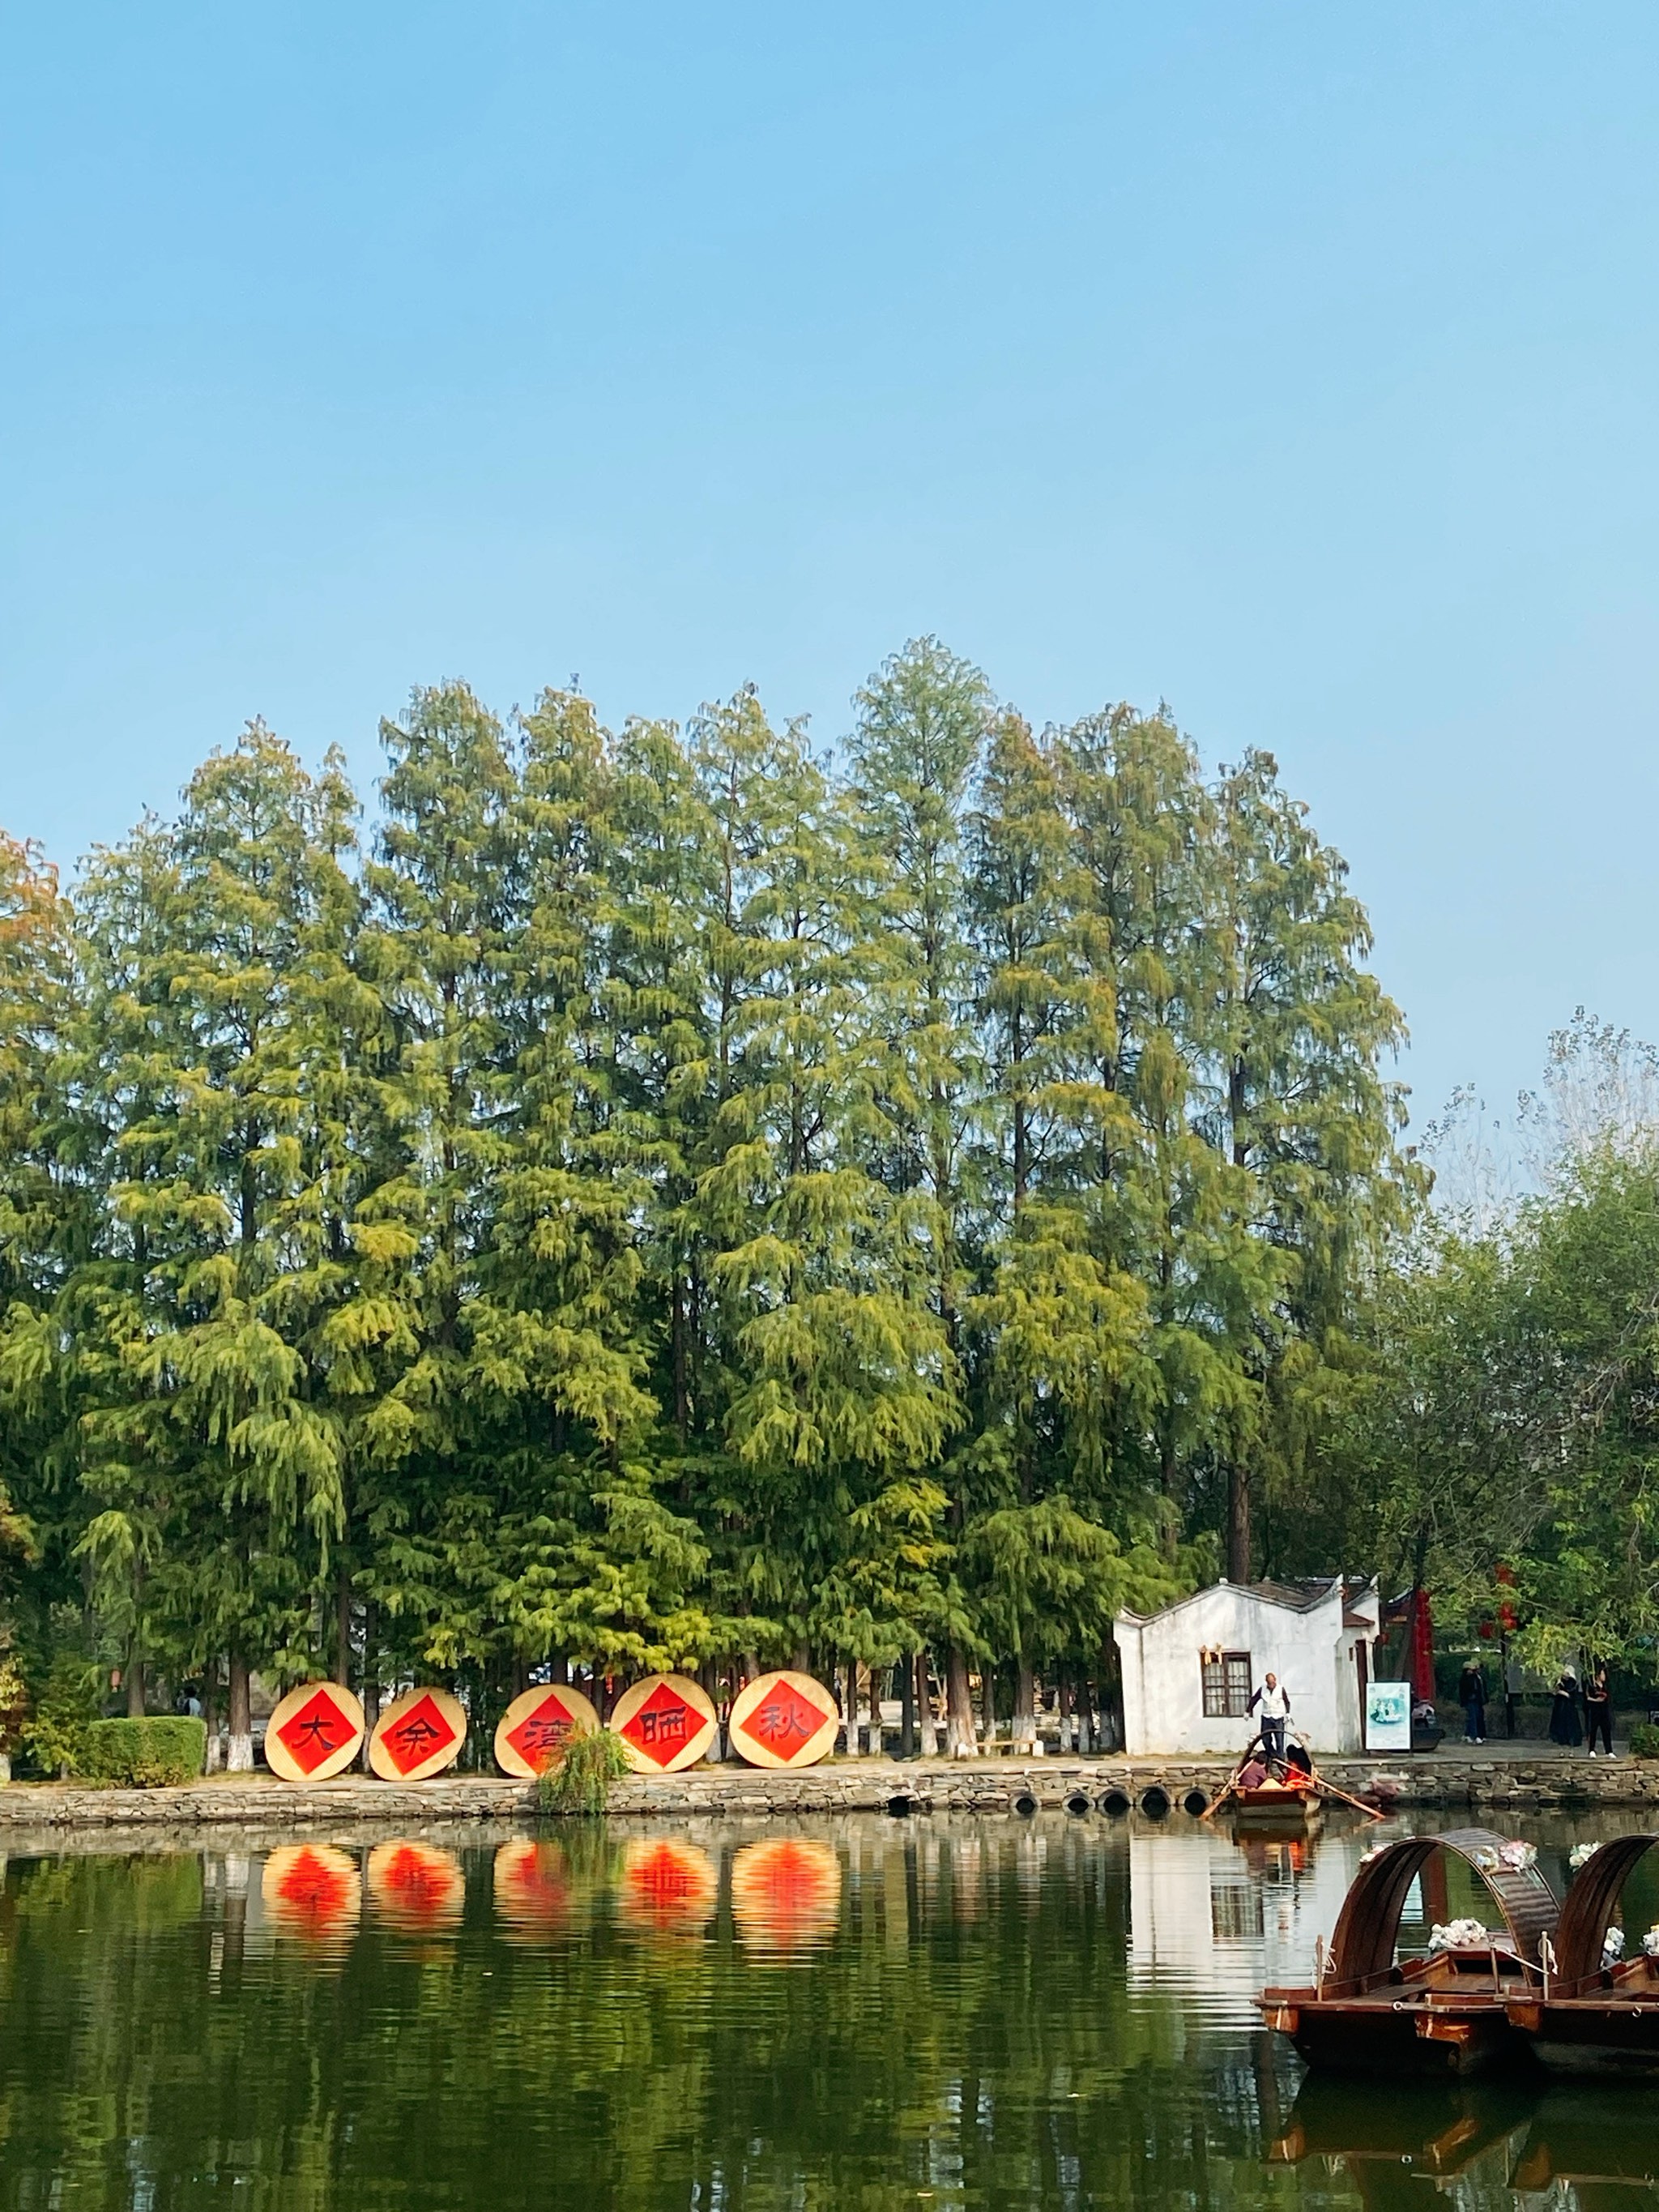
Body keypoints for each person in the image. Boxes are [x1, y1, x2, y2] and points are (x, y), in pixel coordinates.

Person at [1249, 1671, 1291, 1761]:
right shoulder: (1262, 1689)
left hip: (1278, 1718)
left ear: (1275, 1680)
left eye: (1272, 1682)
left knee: (1279, 1741)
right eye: (1269, 1683)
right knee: (1265, 1740)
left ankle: (1280, 1759)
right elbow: (1254, 1699)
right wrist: (1248, 1710)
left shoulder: (1281, 1689)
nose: (1271, 1684)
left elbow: (1287, 1702)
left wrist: (1287, 1713)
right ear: (1266, 1682)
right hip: (1266, 1717)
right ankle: (1273, 1756)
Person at [1549, 1666, 1584, 1748]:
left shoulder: (1573, 1683)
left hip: (1569, 1708)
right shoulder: (1560, 1682)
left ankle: (1571, 1745)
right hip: (1560, 1707)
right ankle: (1561, 1744)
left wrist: (1562, 1692)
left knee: (1570, 1726)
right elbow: (1554, 1692)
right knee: (1560, 1726)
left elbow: (1571, 1695)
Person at [1584, 1664, 1614, 1756]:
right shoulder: (1591, 1685)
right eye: (1602, 1674)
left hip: (1604, 1710)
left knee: (1606, 1730)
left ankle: (1609, 1750)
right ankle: (1591, 1750)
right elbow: (1587, 1697)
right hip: (1595, 1710)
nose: (1604, 1676)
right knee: (1593, 1730)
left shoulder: (1606, 1686)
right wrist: (1596, 1700)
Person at [1458, 1659, 1487, 1744]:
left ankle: (1471, 1734)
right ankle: (1473, 1735)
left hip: (1476, 1700)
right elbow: (1463, 1691)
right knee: (1473, 1718)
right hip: (1470, 1700)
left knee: (1476, 1717)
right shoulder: (1465, 1679)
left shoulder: (1475, 1678)